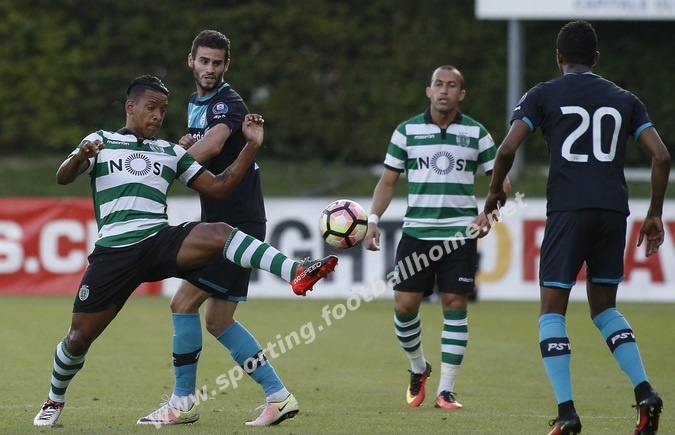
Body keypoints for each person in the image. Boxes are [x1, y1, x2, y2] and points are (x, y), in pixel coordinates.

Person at [32, 74, 338, 427]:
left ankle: (295, 271)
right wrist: (79, 156)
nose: (158, 116)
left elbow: (219, 187)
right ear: (130, 107)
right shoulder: (100, 141)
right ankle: (54, 400)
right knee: (78, 338)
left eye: (163, 110)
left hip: (157, 241)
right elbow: (63, 176)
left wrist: (250, 147)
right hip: (114, 252)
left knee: (220, 232)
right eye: (151, 108)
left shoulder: (170, 152)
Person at [483, 20, 669, 435]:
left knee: (552, 311)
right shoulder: (625, 99)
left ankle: (567, 412)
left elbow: (507, 148)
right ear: (596, 58)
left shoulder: (543, 94)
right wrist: (655, 213)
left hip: (568, 211)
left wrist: (495, 192)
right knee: (605, 309)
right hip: (612, 212)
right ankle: (644, 392)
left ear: (559, 57)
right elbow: (661, 157)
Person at [137, 30, 297, 427]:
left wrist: (163, 165)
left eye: (217, 62)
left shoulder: (229, 103)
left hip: (234, 225)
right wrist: (183, 147)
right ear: (190, 61)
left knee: (182, 304)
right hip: (226, 223)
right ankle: (279, 397)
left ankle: (183, 403)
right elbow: (201, 148)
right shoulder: (195, 102)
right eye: (204, 61)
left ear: (227, 65)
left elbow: (212, 145)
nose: (210, 69)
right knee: (218, 320)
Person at [363, 65, 509, 410]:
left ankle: (446, 389)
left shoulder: (477, 134)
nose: (444, 90)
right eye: (438, 84)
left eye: (452, 85)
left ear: (462, 94)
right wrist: (372, 220)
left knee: (455, 304)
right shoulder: (406, 131)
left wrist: (491, 214)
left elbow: (501, 183)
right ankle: (419, 367)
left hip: (460, 235)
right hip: (417, 232)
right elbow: (387, 182)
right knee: (404, 306)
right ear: (428, 91)